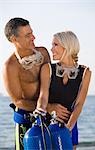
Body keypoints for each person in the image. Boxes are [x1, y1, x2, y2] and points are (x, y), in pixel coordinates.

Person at [3, 17, 51, 150]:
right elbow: (18, 101)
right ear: (14, 39)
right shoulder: (10, 66)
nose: (33, 37)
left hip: (48, 115)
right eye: (28, 35)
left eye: (32, 33)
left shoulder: (43, 53)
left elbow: (50, 84)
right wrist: (49, 107)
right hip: (27, 119)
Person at [47, 30, 92, 150]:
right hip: (47, 123)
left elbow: (79, 104)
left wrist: (68, 127)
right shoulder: (48, 69)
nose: (51, 49)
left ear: (67, 46)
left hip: (70, 125)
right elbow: (39, 97)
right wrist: (51, 107)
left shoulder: (85, 72)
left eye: (55, 45)